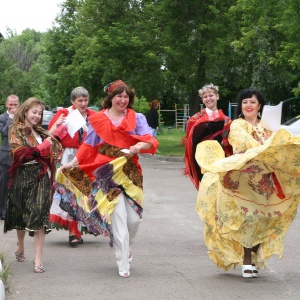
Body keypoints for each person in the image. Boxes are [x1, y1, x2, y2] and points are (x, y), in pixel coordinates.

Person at [57, 79, 158, 277]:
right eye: (119, 96)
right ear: (111, 98)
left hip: (130, 172)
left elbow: (150, 140)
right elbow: (88, 145)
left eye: (126, 96)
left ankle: (127, 245)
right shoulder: (98, 118)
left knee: (134, 219)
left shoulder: (137, 118)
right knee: (118, 215)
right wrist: (72, 163)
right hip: (106, 172)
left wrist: (137, 147)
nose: (123, 99)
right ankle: (123, 264)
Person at [195, 88, 300, 278]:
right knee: (247, 219)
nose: (248, 105)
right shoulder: (238, 125)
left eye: (252, 102)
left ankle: (252, 254)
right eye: (245, 102)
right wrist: (269, 149)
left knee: (265, 219)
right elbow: (244, 145)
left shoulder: (269, 125)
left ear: (260, 105)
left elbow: (281, 145)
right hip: (243, 178)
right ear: (240, 106)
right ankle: (246, 260)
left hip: (266, 180)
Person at [4, 97, 62, 273]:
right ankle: (20, 245)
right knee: (21, 213)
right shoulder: (16, 129)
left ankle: (38, 259)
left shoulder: (40, 132)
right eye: (34, 112)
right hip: (22, 176)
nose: (37, 116)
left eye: (39, 113)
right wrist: (42, 148)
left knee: (39, 215)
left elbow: (55, 147)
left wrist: (52, 149)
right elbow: (19, 154)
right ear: (26, 111)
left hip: (41, 176)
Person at [47, 87, 96, 246]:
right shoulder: (64, 114)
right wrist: (59, 124)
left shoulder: (94, 116)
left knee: (85, 193)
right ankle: (73, 232)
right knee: (70, 193)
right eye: (79, 100)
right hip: (68, 157)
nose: (83, 103)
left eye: (85, 100)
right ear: (73, 101)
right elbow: (51, 135)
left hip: (87, 157)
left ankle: (79, 229)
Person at [182, 83, 231, 190]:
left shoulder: (226, 120)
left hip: (221, 160)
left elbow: (228, 140)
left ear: (217, 96)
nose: (208, 98)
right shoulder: (194, 120)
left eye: (211, 95)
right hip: (202, 161)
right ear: (202, 99)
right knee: (207, 189)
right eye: (205, 97)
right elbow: (190, 143)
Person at [0, 94, 20, 220]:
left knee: (18, 183)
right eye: (11, 105)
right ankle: (2, 210)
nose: (13, 107)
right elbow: (4, 132)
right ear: (6, 104)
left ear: (19, 104)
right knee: (3, 183)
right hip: (6, 155)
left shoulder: (23, 117)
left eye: (15, 105)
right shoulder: (2, 117)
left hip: (20, 155)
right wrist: (11, 118)